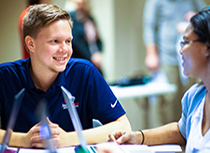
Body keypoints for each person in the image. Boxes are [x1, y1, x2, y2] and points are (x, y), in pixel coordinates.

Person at [0, 4, 131, 148]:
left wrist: (66, 138)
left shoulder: (84, 72)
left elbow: (124, 126)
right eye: (55, 41)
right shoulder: (5, 76)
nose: (65, 50)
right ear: (31, 44)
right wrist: (23, 140)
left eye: (68, 41)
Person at [110, 8, 210, 152]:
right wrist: (138, 137)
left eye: (186, 42)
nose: (180, 51)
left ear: (208, 48)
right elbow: (181, 131)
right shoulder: (195, 96)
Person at [143, 0, 206, 125]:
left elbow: (209, 14)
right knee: (168, 102)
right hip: (168, 58)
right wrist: (151, 53)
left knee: (193, 97)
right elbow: (149, 25)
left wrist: (196, 19)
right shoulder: (155, 2)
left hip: (191, 57)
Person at [69, 0, 103, 73]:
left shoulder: (90, 18)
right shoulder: (71, 17)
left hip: (95, 61)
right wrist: (91, 57)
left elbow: (98, 41)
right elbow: (75, 41)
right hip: (81, 61)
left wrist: (98, 53)